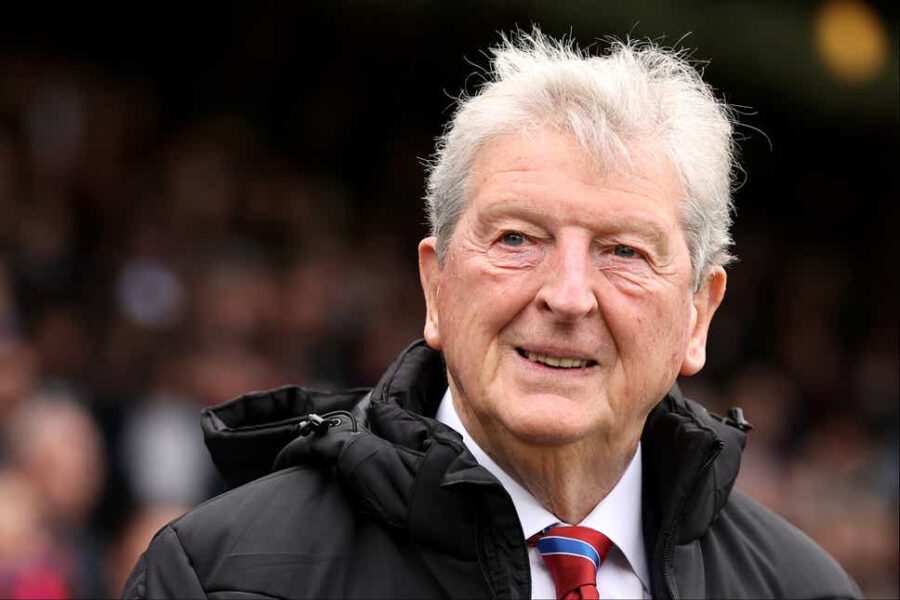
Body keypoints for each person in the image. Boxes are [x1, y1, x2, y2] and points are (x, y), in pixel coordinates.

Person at [124, 30, 861, 599]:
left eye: (624, 252)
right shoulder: (219, 578)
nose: (567, 296)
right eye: (517, 239)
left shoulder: (805, 591)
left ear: (699, 314)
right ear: (436, 287)